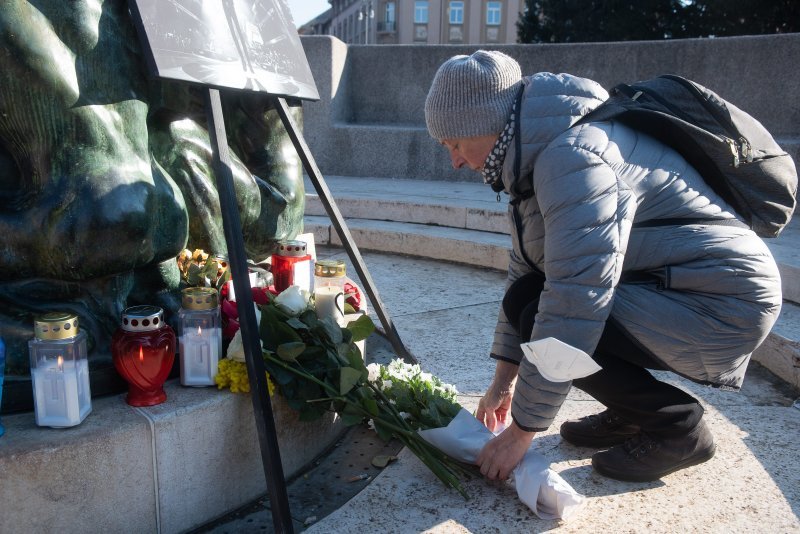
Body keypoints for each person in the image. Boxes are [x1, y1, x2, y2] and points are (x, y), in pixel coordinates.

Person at [424, 50, 782, 483]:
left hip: (721, 302)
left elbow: (577, 300)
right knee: (528, 298)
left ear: (486, 123)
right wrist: (504, 381)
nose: (455, 161)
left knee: (543, 311)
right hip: (675, 287)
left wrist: (521, 432)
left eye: (456, 144)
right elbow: (525, 273)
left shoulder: (573, 159)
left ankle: (677, 426)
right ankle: (631, 412)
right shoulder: (532, 161)